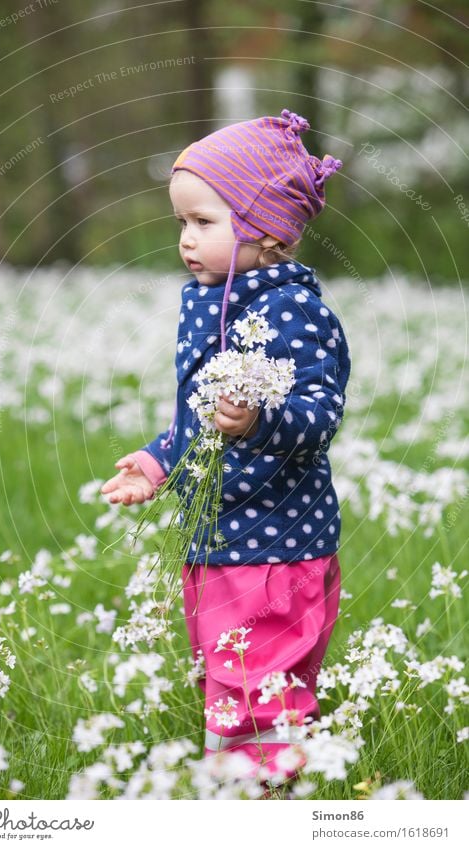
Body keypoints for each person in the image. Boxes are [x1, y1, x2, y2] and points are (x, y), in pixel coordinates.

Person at [101, 108, 351, 782]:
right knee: (229, 672)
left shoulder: (291, 313)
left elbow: (316, 417)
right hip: (220, 539)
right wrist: (156, 462)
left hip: (273, 550)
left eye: (203, 222)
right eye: (181, 222)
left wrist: (258, 422)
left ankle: (261, 796)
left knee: (257, 682)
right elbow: (201, 421)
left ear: (266, 229)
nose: (185, 239)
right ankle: (242, 784)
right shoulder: (219, 303)